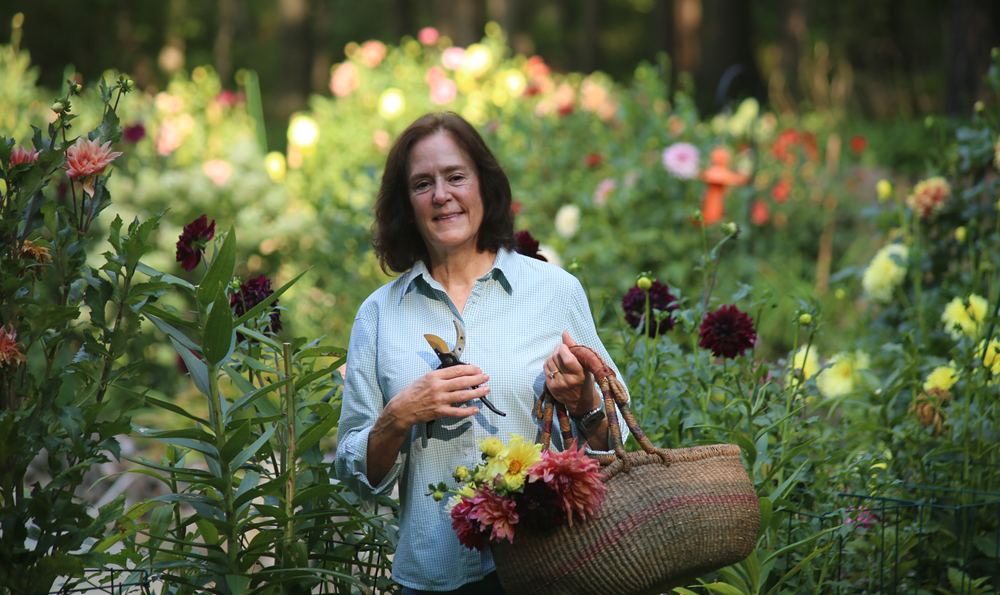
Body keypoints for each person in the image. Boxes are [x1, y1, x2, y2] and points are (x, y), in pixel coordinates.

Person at [334, 112, 628, 594]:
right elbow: (355, 475)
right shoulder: (379, 315)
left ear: (484, 187)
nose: (441, 195)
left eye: (456, 177)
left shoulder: (553, 291)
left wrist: (584, 402)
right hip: (434, 577)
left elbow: (617, 443)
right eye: (422, 184)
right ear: (406, 204)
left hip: (549, 568)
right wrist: (398, 417)